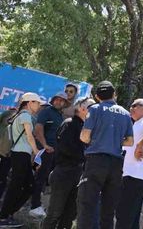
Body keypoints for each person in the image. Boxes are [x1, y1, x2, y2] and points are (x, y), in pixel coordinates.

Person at [77, 81, 134, 229]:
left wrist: (97, 139)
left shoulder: (95, 109)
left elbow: (84, 136)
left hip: (96, 161)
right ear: (114, 94)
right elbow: (129, 142)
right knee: (108, 209)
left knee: (87, 204)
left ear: (96, 96)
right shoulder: (126, 113)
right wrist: (114, 140)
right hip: (116, 164)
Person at [42, 97, 93, 229]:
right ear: (81, 108)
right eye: (91, 107)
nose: (94, 110)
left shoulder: (86, 127)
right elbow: (65, 147)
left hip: (78, 174)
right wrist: (85, 155)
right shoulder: (69, 123)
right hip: (64, 171)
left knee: (69, 214)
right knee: (55, 212)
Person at [116, 98, 143, 229]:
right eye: (131, 106)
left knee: (124, 213)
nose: (131, 108)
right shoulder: (136, 124)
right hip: (130, 174)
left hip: (136, 175)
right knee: (132, 216)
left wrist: (140, 145)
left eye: (135, 106)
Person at [0, 93, 43, 227]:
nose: (39, 105)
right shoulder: (25, 115)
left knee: (29, 186)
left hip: (20, 155)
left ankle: (8, 213)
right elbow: (29, 136)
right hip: (20, 155)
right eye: (37, 102)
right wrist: (36, 152)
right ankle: (3, 217)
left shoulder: (21, 115)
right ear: (29, 103)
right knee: (16, 186)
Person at [30, 91, 69, 218]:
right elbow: (38, 128)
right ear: (53, 101)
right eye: (56, 99)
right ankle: (34, 206)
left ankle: (36, 204)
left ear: (64, 103)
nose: (59, 102)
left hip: (53, 152)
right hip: (43, 151)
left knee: (43, 179)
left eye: (61, 100)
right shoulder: (47, 111)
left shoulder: (60, 115)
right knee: (39, 178)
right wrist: (45, 145)